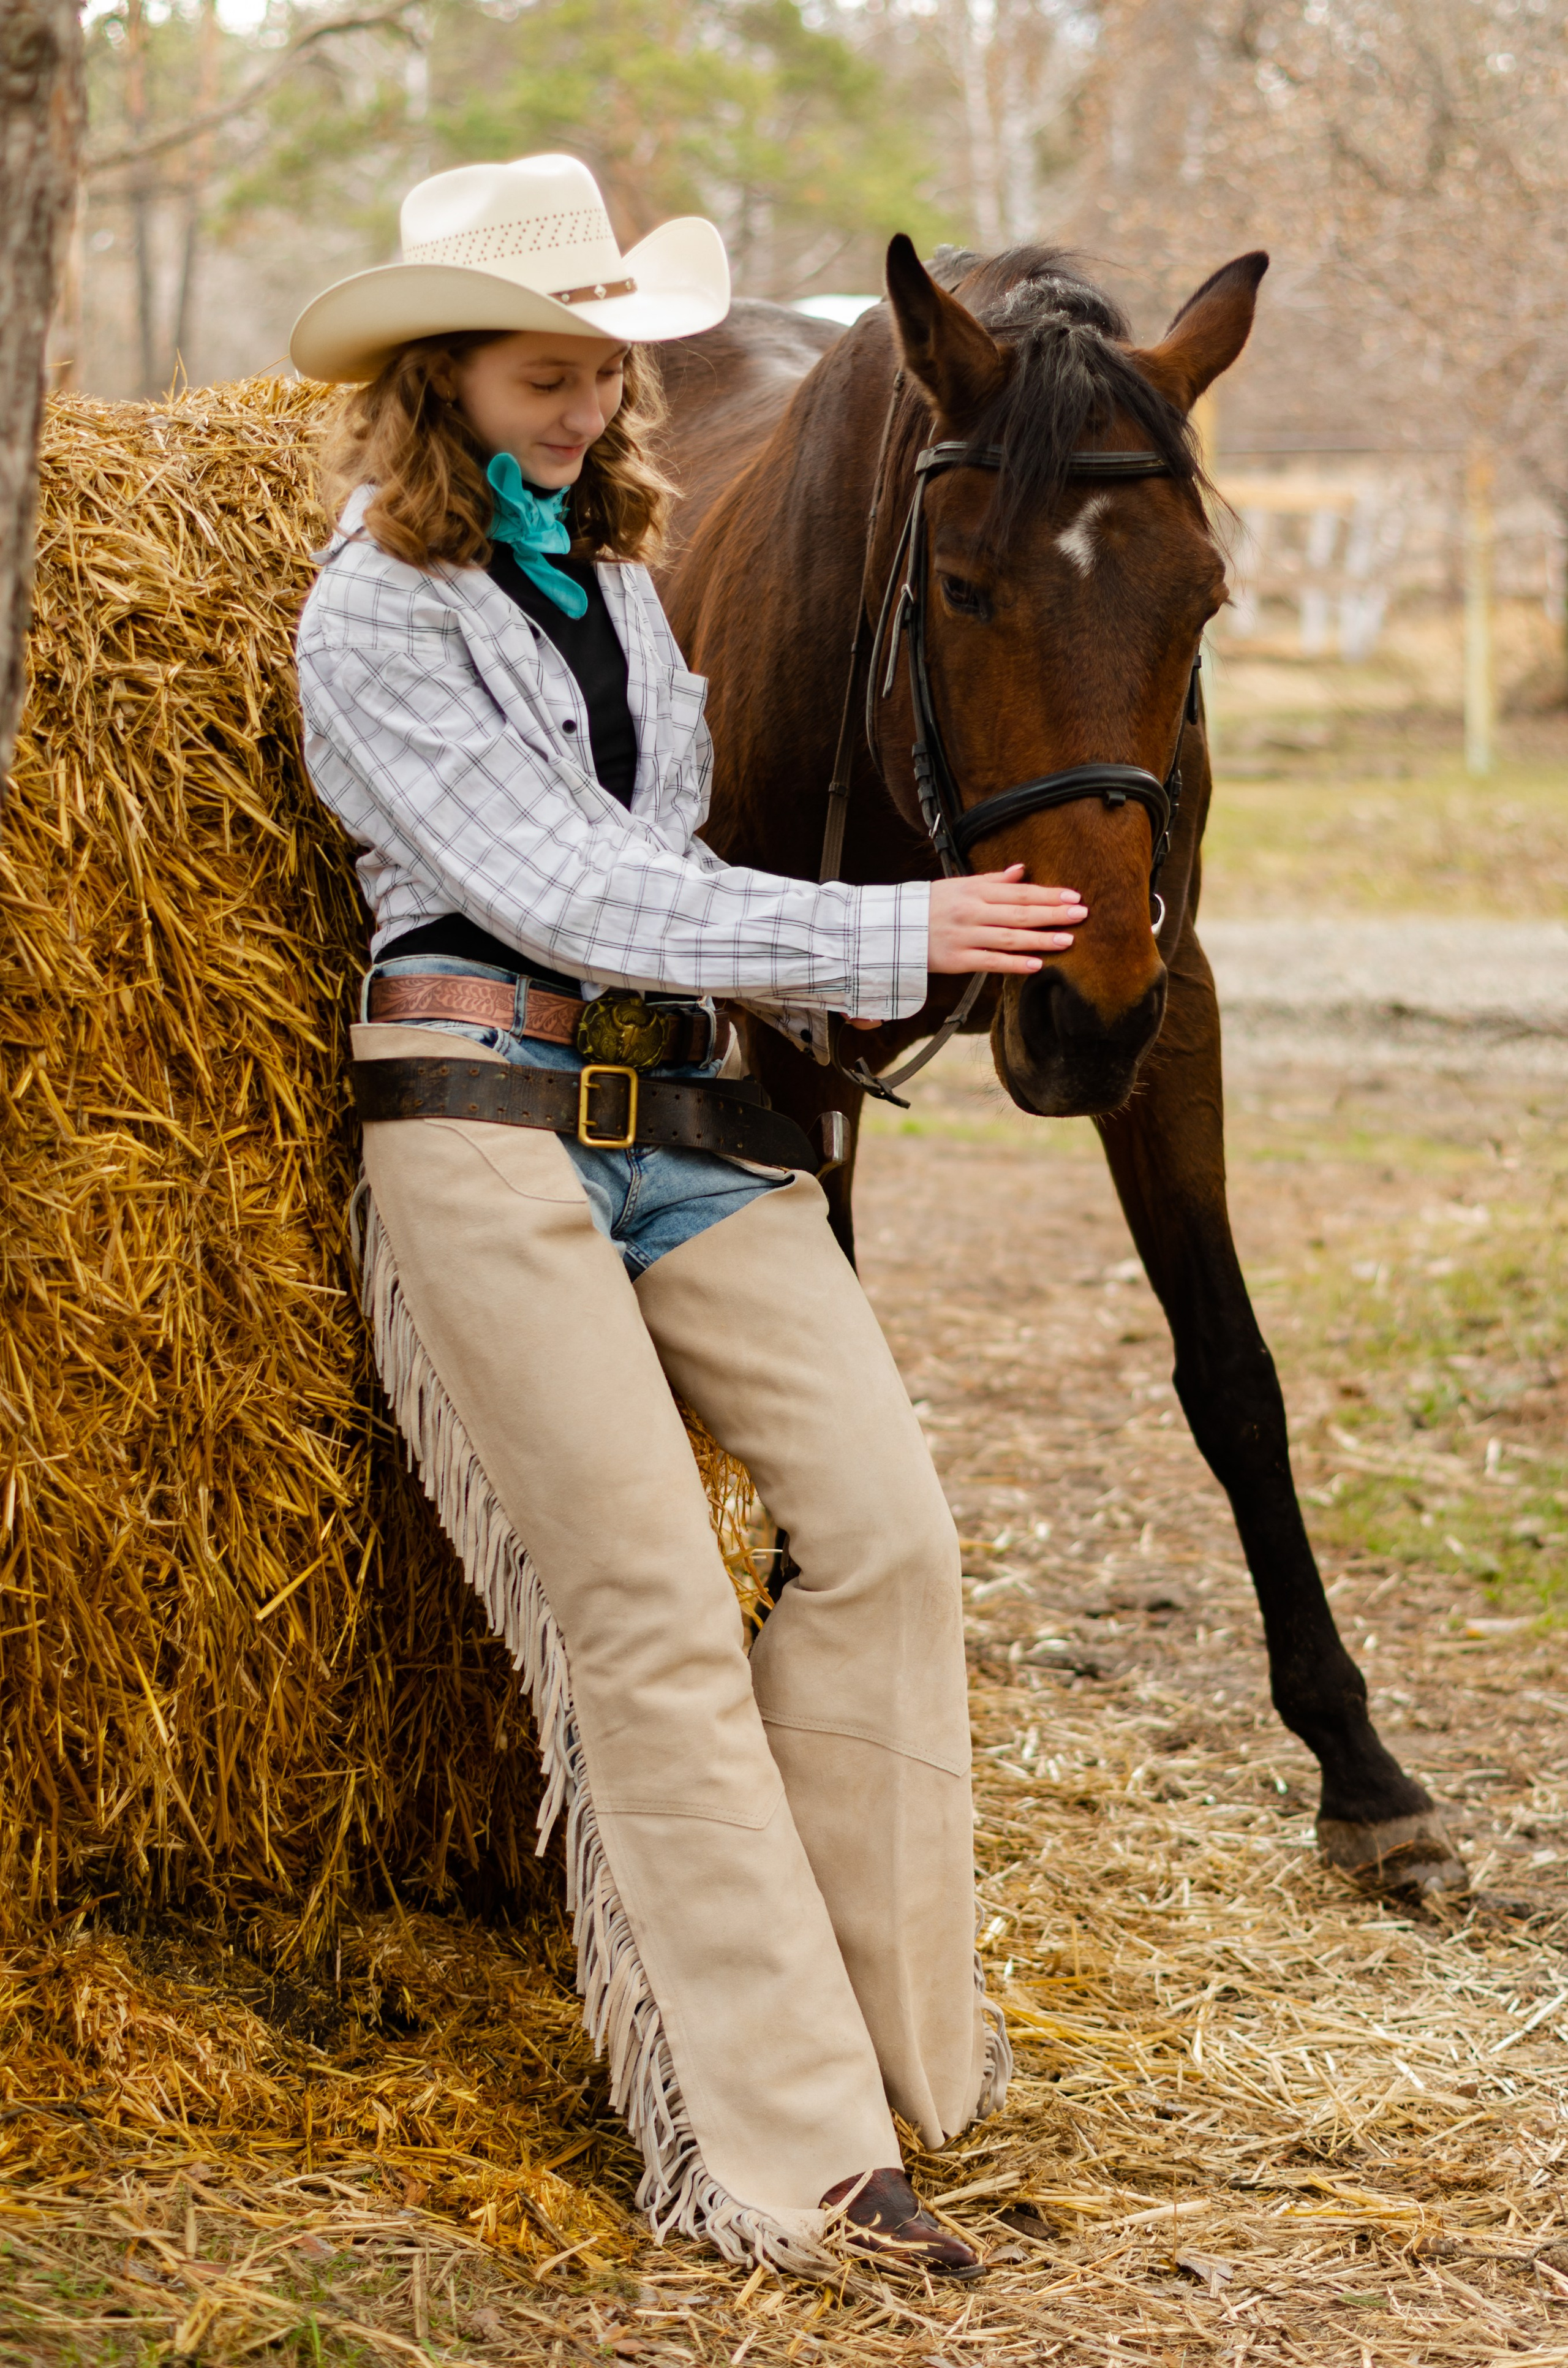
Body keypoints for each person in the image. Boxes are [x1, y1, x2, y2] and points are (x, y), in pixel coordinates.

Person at [289, 153, 1088, 2279]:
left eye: (606, 373)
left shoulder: (617, 577)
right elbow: (569, 888)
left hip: (683, 1124)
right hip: (481, 1125)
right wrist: (895, 929)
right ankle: (793, 2151)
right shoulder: (372, 604)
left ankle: (899, 2045)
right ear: (436, 374)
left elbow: (665, 844)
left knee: (891, 1528)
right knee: (646, 1614)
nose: (588, 409)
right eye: (547, 374)